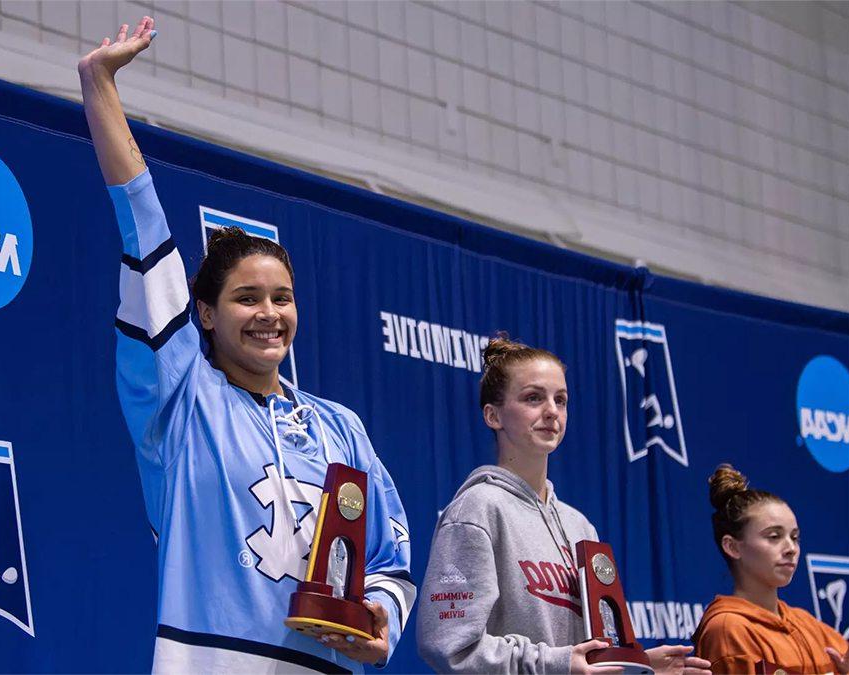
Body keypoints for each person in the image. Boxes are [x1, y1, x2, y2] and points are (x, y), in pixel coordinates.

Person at [78, 18, 415, 673]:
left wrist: (379, 615)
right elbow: (144, 226)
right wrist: (100, 88)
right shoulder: (179, 400)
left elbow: (388, 560)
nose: (269, 314)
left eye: (282, 297)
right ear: (203, 312)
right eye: (247, 298)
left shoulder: (340, 428)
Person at [417, 335, 711, 674]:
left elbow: (587, 657)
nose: (551, 412)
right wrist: (554, 663)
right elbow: (450, 645)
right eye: (533, 398)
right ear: (493, 415)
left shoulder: (579, 526)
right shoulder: (478, 509)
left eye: (561, 400)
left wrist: (638, 665)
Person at [692, 464, 849, 674]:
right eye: (774, 536)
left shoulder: (807, 624)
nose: (791, 548)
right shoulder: (729, 629)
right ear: (732, 546)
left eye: (795, 537)